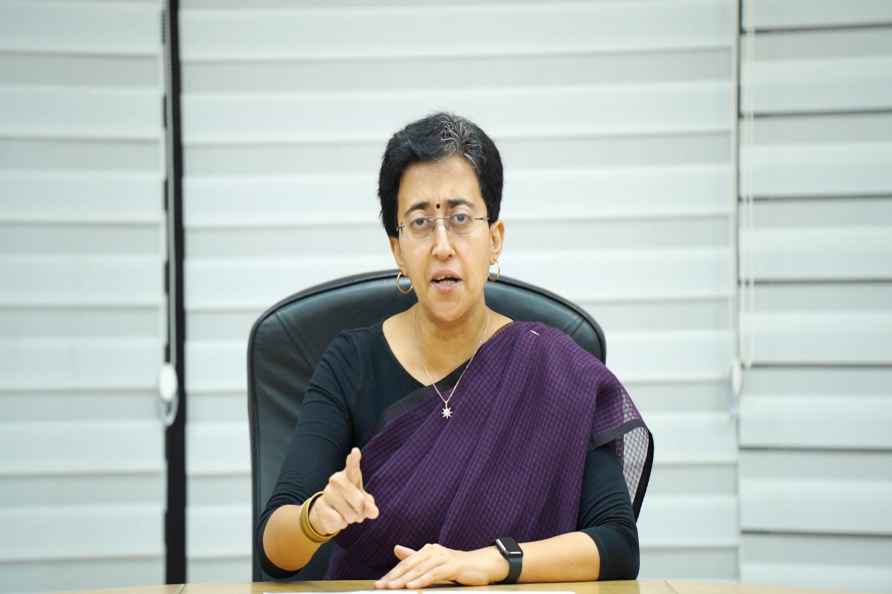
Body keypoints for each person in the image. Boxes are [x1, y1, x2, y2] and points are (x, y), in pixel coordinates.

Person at [257, 112, 653, 587]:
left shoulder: (553, 369)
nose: (443, 245)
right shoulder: (350, 364)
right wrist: (316, 517)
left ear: (495, 240)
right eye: (421, 222)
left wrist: (489, 562)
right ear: (398, 249)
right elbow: (275, 550)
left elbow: (616, 545)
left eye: (461, 219)